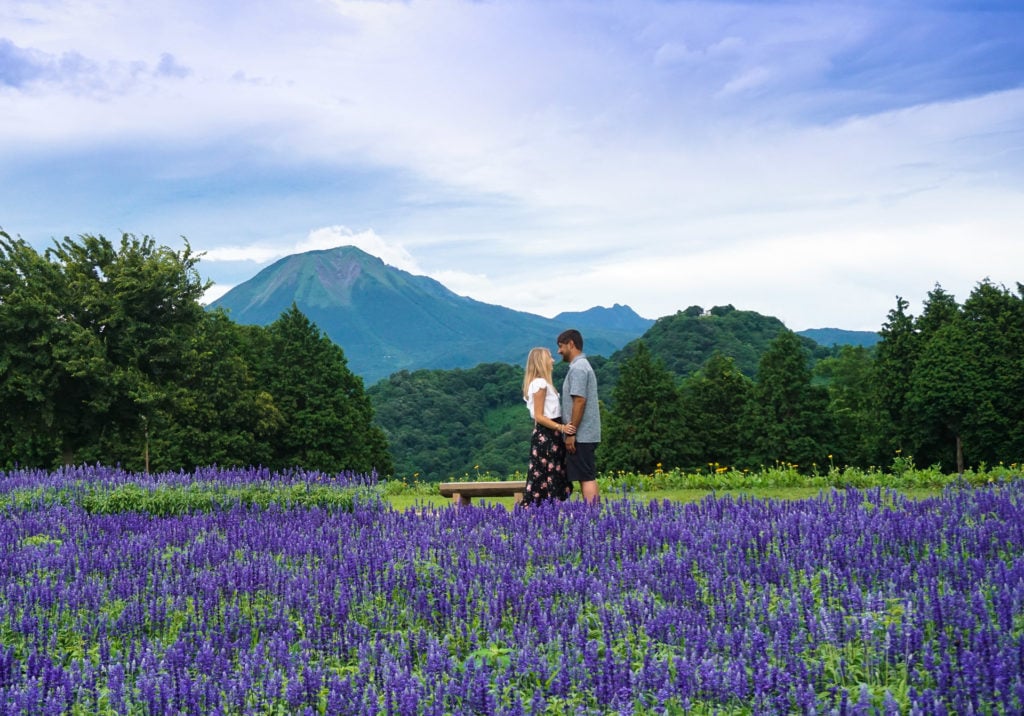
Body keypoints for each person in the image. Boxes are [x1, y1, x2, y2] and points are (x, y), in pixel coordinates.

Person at [521, 347, 573, 505]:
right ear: (541, 361)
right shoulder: (540, 383)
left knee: (551, 473)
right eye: (549, 357)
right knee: (547, 474)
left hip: (550, 435)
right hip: (548, 435)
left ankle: (548, 508)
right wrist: (561, 428)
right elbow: (539, 416)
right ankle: (545, 508)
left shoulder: (542, 383)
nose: (553, 360)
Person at [557, 329, 600, 504]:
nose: (559, 351)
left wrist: (571, 432)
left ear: (571, 344)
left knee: (585, 476)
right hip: (586, 433)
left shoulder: (579, 368)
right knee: (586, 474)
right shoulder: (581, 366)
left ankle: (592, 515)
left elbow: (579, 401)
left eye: (560, 346)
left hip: (582, 435)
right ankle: (593, 514)